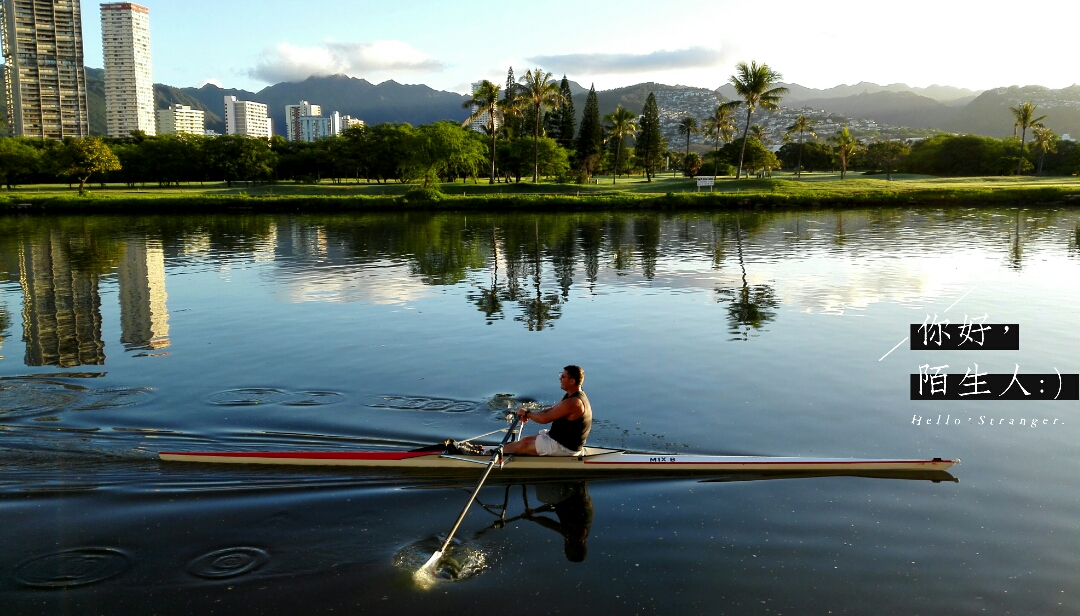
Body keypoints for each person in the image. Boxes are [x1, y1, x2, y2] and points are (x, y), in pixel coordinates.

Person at [502, 365, 591, 456]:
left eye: (563, 376)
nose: (560, 379)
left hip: (565, 448)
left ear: (572, 381)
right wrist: (529, 414)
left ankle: (492, 454)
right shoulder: (572, 395)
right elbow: (552, 409)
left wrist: (527, 413)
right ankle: (497, 451)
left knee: (523, 446)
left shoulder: (574, 402)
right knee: (525, 440)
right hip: (557, 439)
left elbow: (544, 419)